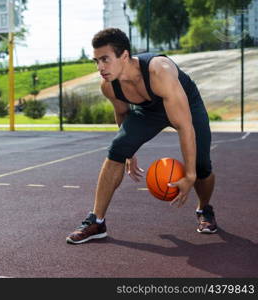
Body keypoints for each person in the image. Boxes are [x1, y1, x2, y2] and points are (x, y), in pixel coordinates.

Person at [66, 28, 217, 245]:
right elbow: (122, 114)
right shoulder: (109, 85)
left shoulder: (159, 71)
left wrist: (190, 175)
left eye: (105, 59)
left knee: (202, 166)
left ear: (124, 56)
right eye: (96, 61)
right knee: (118, 148)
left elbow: (185, 127)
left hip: (187, 104)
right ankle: (96, 221)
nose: (100, 67)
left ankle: (204, 209)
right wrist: (129, 151)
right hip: (148, 111)